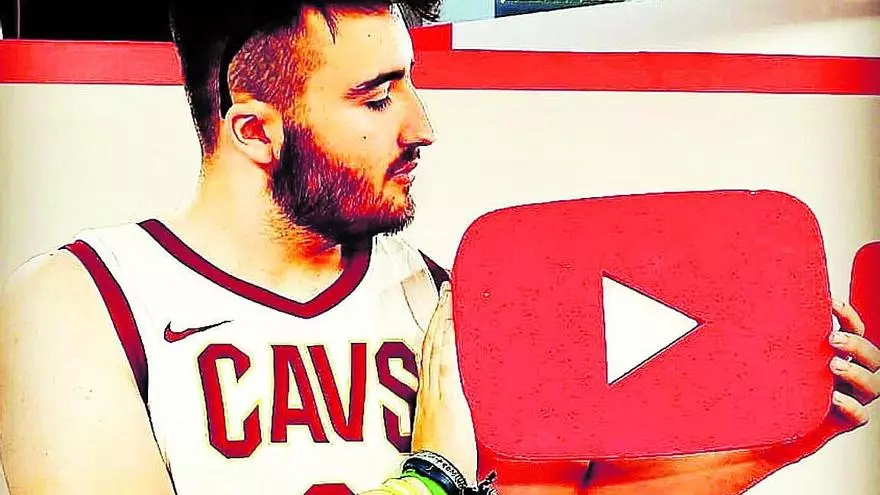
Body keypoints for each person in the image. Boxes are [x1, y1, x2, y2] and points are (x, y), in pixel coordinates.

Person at [0, 1, 877, 494]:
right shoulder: (81, 304)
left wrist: (769, 444)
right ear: (256, 131)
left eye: (413, 85)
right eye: (379, 97)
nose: (423, 126)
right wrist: (434, 475)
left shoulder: (448, 299)